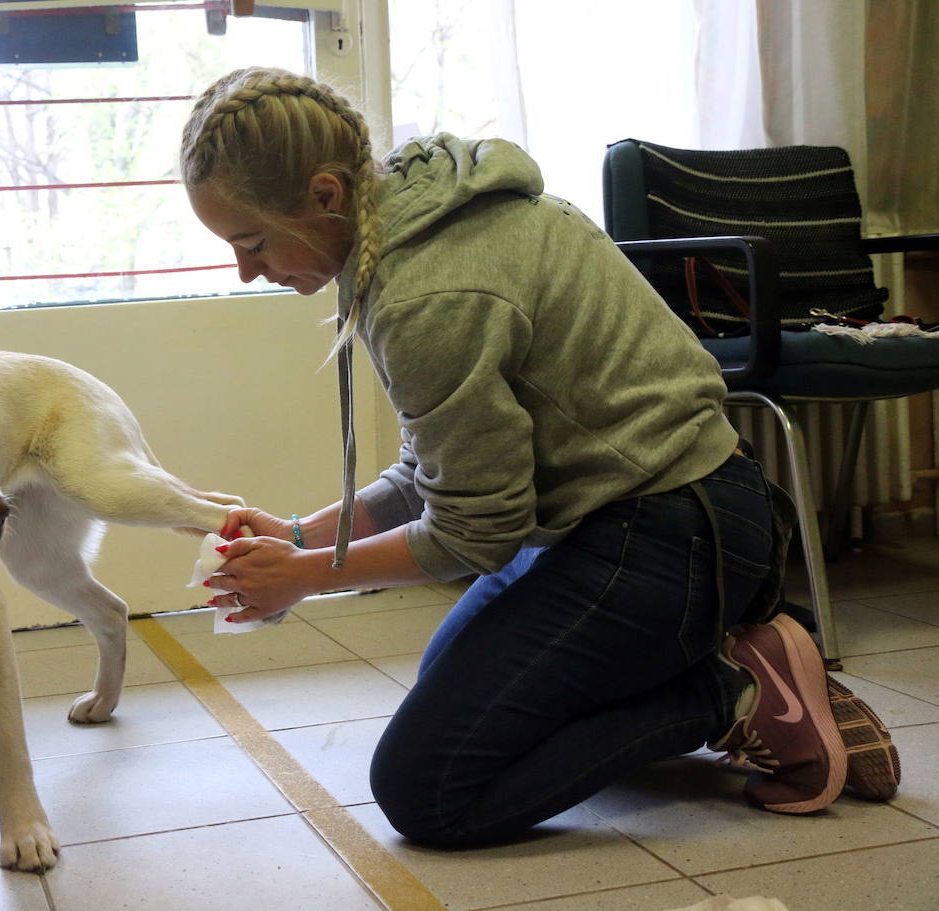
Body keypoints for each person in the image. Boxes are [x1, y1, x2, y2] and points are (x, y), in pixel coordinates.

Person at [179, 66, 901, 845]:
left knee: (429, 788)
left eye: (250, 243)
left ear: (324, 196)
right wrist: (300, 537)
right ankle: (707, 643)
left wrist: (308, 577)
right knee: (477, 711)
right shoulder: (421, 217)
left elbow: (474, 536)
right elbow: (440, 473)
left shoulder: (428, 294)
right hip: (667, 517)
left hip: (674, 534)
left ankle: (733, 688)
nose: (247, 270)